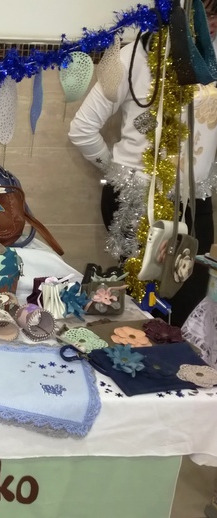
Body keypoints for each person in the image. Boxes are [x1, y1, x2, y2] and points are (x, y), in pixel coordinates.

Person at [68, 3, 217, 327]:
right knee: (142, 307)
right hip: (136, 202)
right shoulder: (132, 57)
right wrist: (119, 173)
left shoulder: (212, 60)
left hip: (196, 204)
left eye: (214, 13)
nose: (209, 23)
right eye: (202, 11)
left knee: (189, 306)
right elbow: (82, 129)